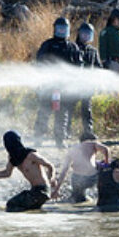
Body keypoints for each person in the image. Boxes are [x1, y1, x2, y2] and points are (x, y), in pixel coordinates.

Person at [35, 17, 82, 148]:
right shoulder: (48, 45)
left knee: (62, 114)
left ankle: (60, 140)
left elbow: (79, 65)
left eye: (64, 29)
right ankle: (38, 138)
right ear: (55, 29)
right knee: (44, 112)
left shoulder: (72, 46)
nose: (62, 32)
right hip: (49, 86)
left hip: (65, 87)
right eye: (59, 29)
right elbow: (39, 61)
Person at [0, 131, 58, 212]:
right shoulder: (13, 159)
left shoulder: (31, 155)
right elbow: (7, 173)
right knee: (29, 209)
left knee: (11, 205)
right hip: (34, 191)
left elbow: (50, 165)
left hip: (42, 191)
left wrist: (50, 180)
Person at [53, 132, 109, 203]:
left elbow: (64, 171)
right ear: (92, 140)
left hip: (76, 180)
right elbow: (106, 149)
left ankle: (78, 197)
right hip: (91, 178)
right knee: (100, 165)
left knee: (77, 199)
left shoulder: (72, 149)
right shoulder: (92, 143)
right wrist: (107, 163)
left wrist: (56, 190)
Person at [71, 22, 102, 138]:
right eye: (84, 34)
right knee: (69, 108)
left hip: (87, 86)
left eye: (88, 34)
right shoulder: (73, 47)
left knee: (87, 110)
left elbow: (98, 67)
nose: (86, 37)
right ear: (79, 34)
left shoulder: (93, 51)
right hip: (73, 85)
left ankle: (88, 131)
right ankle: (65, 132)